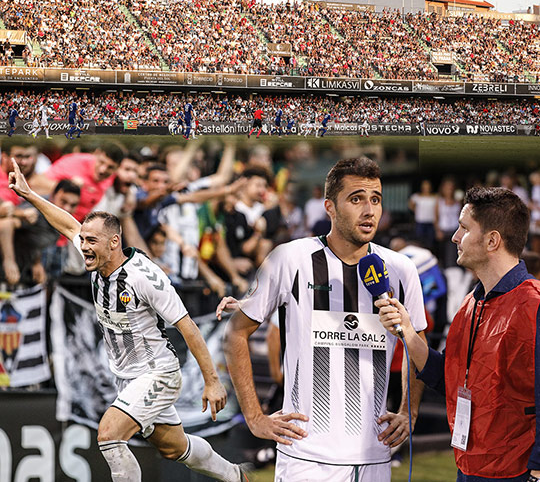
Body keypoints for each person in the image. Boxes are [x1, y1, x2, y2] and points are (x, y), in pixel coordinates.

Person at [8, 158, 248, 482]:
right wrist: (29, 195)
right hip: (127, 377)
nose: (84, 247)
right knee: (175, 448)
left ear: (113, 243)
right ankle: (237, 477)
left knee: (109, 433)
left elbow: (187, 325)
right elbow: (67, 224)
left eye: (91, 241)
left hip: (158, 373)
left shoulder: (145, 277)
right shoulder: (94, 257)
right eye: (83, 241)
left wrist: (212, 380)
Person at [220, 156, 427, 481]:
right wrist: (255, 417)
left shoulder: (401, 269)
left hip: (374, 456)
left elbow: (418, 345)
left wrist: (408, 411)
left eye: (376, 199)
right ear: (329, 206)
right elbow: (235, 334)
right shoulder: (290, 258)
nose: (369, 210)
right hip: (306, 456)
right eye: (356, 199)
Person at [377, 186, 540, 482]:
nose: (454, 237)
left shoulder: (534, 305)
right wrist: (408, 331)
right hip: (468, 464)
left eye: (464, 228)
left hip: (517, 472)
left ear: (492, 240)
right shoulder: (469, 303)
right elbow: (448, 378)